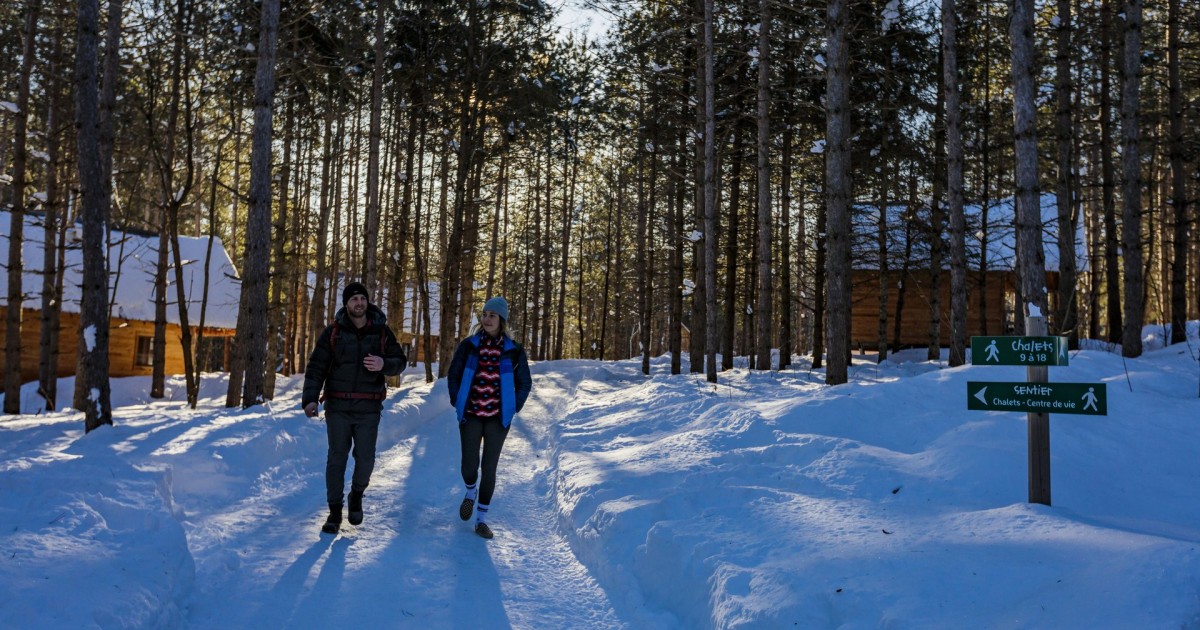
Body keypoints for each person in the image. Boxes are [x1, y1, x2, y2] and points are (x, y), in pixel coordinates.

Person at [303, 281, 406, 534]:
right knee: (336, 458)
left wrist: (384, 363)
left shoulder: (381, 331)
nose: (358, 303)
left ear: (367, 302)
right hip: (338, 405)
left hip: (369, 407)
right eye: (353, 299)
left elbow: (400, 361)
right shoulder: (333, 333)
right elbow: (316, 367)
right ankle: (334, 512)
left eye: (362, 298)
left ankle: (357, 494)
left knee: (366, 458)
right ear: (346, 304)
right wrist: (310, 398)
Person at [446, 296, 532, 539]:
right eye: (484, 314)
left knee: (489, 467)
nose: (486, 319)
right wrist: (457, 399)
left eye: (492, 315)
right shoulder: (469, 345)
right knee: (469, 465)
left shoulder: (513, 351)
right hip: (471, 415)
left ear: (501, 320)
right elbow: (454, 374)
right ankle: (470, 491)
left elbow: (524, 382)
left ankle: (481, 520)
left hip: (497, 419)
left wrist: (513, 407)